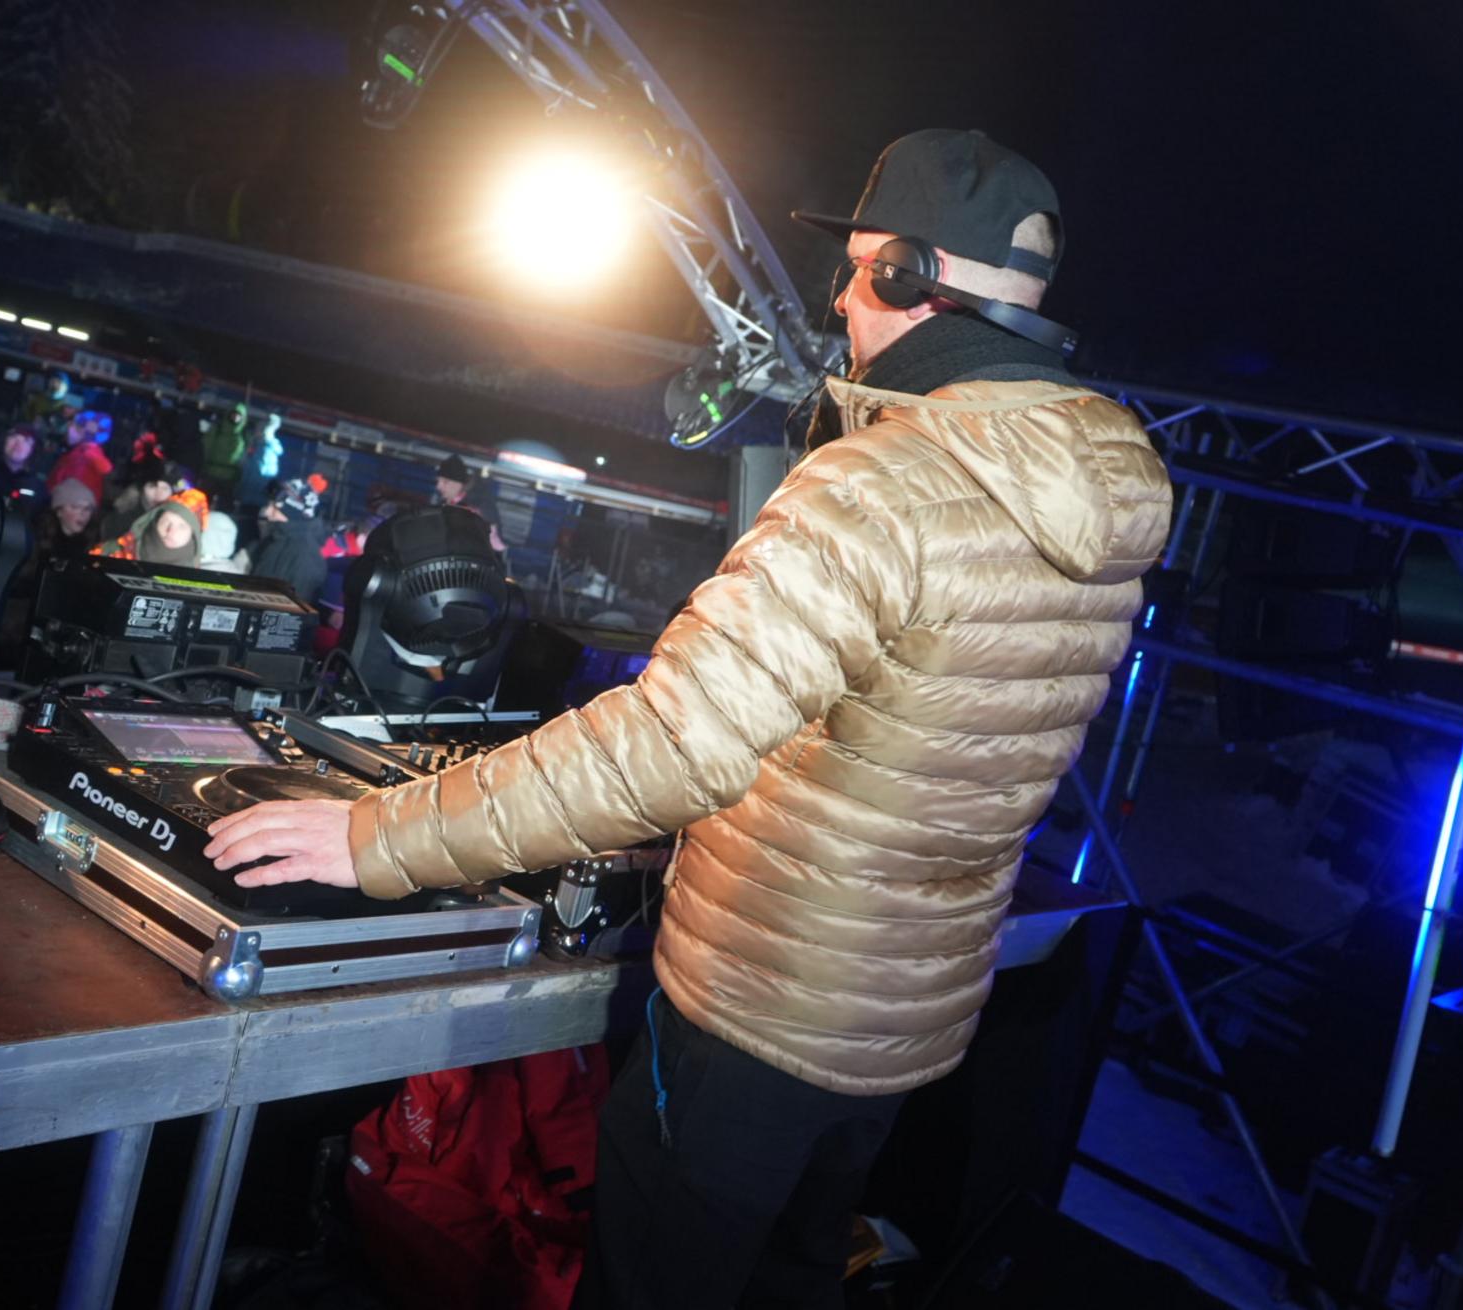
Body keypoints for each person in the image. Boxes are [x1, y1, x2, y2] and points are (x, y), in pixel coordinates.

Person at [205, 128, 1172, 1307]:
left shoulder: (887, 480)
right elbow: (914, 736)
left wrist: (372, 835)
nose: (840, 301)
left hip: (761, 1015)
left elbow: (669, 745)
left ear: (908, 275)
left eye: (857, 269)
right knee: (790, 1283)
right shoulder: (1099, 485)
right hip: (900, 1025)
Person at [247, 474, 333, 607]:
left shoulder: (305, 559)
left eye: (275, 508)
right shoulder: (276, 539)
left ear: (292, 512)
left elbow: (292, 612)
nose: (267, 512)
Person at [92, 496, 203, 567]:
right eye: (166, 522)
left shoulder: (195, 580)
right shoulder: (112, 552)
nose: (171, 531)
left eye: (182, 526)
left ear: (193, 534)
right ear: (156, 520)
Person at [434, 453, 506, 554]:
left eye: (445, 482)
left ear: (458, 484)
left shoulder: (477, 506)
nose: (438, 486)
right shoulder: (446, 504)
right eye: (438, 481)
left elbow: (494, 543)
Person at [31, 477, 102, 570]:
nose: (83, 513)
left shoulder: (93, 545)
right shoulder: (36, 540)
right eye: (75, 507)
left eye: (88, 509)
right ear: (59, 511)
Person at [47, 409, 114, 504]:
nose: (69, 428)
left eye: (75, 425)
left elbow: (71, 500)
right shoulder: (82, 454)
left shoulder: (83, 459)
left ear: (84, 431)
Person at [0, 424, 48, 511]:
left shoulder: (37, 488)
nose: (18, 443)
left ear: (33, 449)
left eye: (26, 440)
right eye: (13, 437)